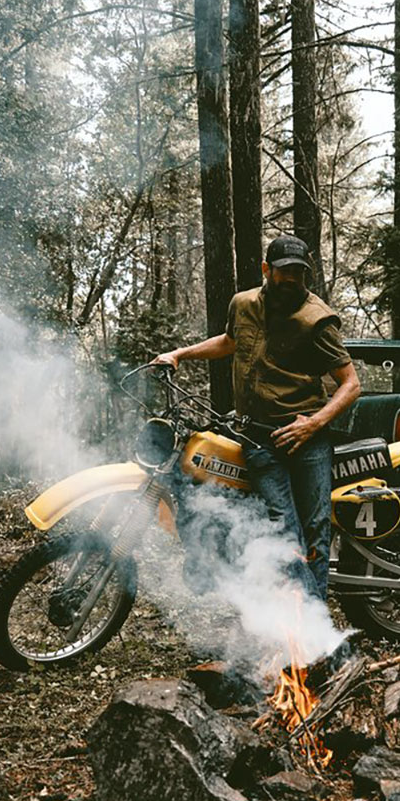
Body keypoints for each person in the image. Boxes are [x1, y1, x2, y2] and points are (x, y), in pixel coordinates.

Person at [153, 234, 362, 599]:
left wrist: (313, 423)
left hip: (306, 437)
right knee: (282, 530)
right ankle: (298, 625)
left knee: (315, 532)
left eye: (299, 272)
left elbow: (351, 383)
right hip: (257, 438)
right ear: (267, 269)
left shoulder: (316, 319)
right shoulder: (243, 304)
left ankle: (316, 635)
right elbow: (229, 342)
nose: (292, 280)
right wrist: (180, 353)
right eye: (284, 272)